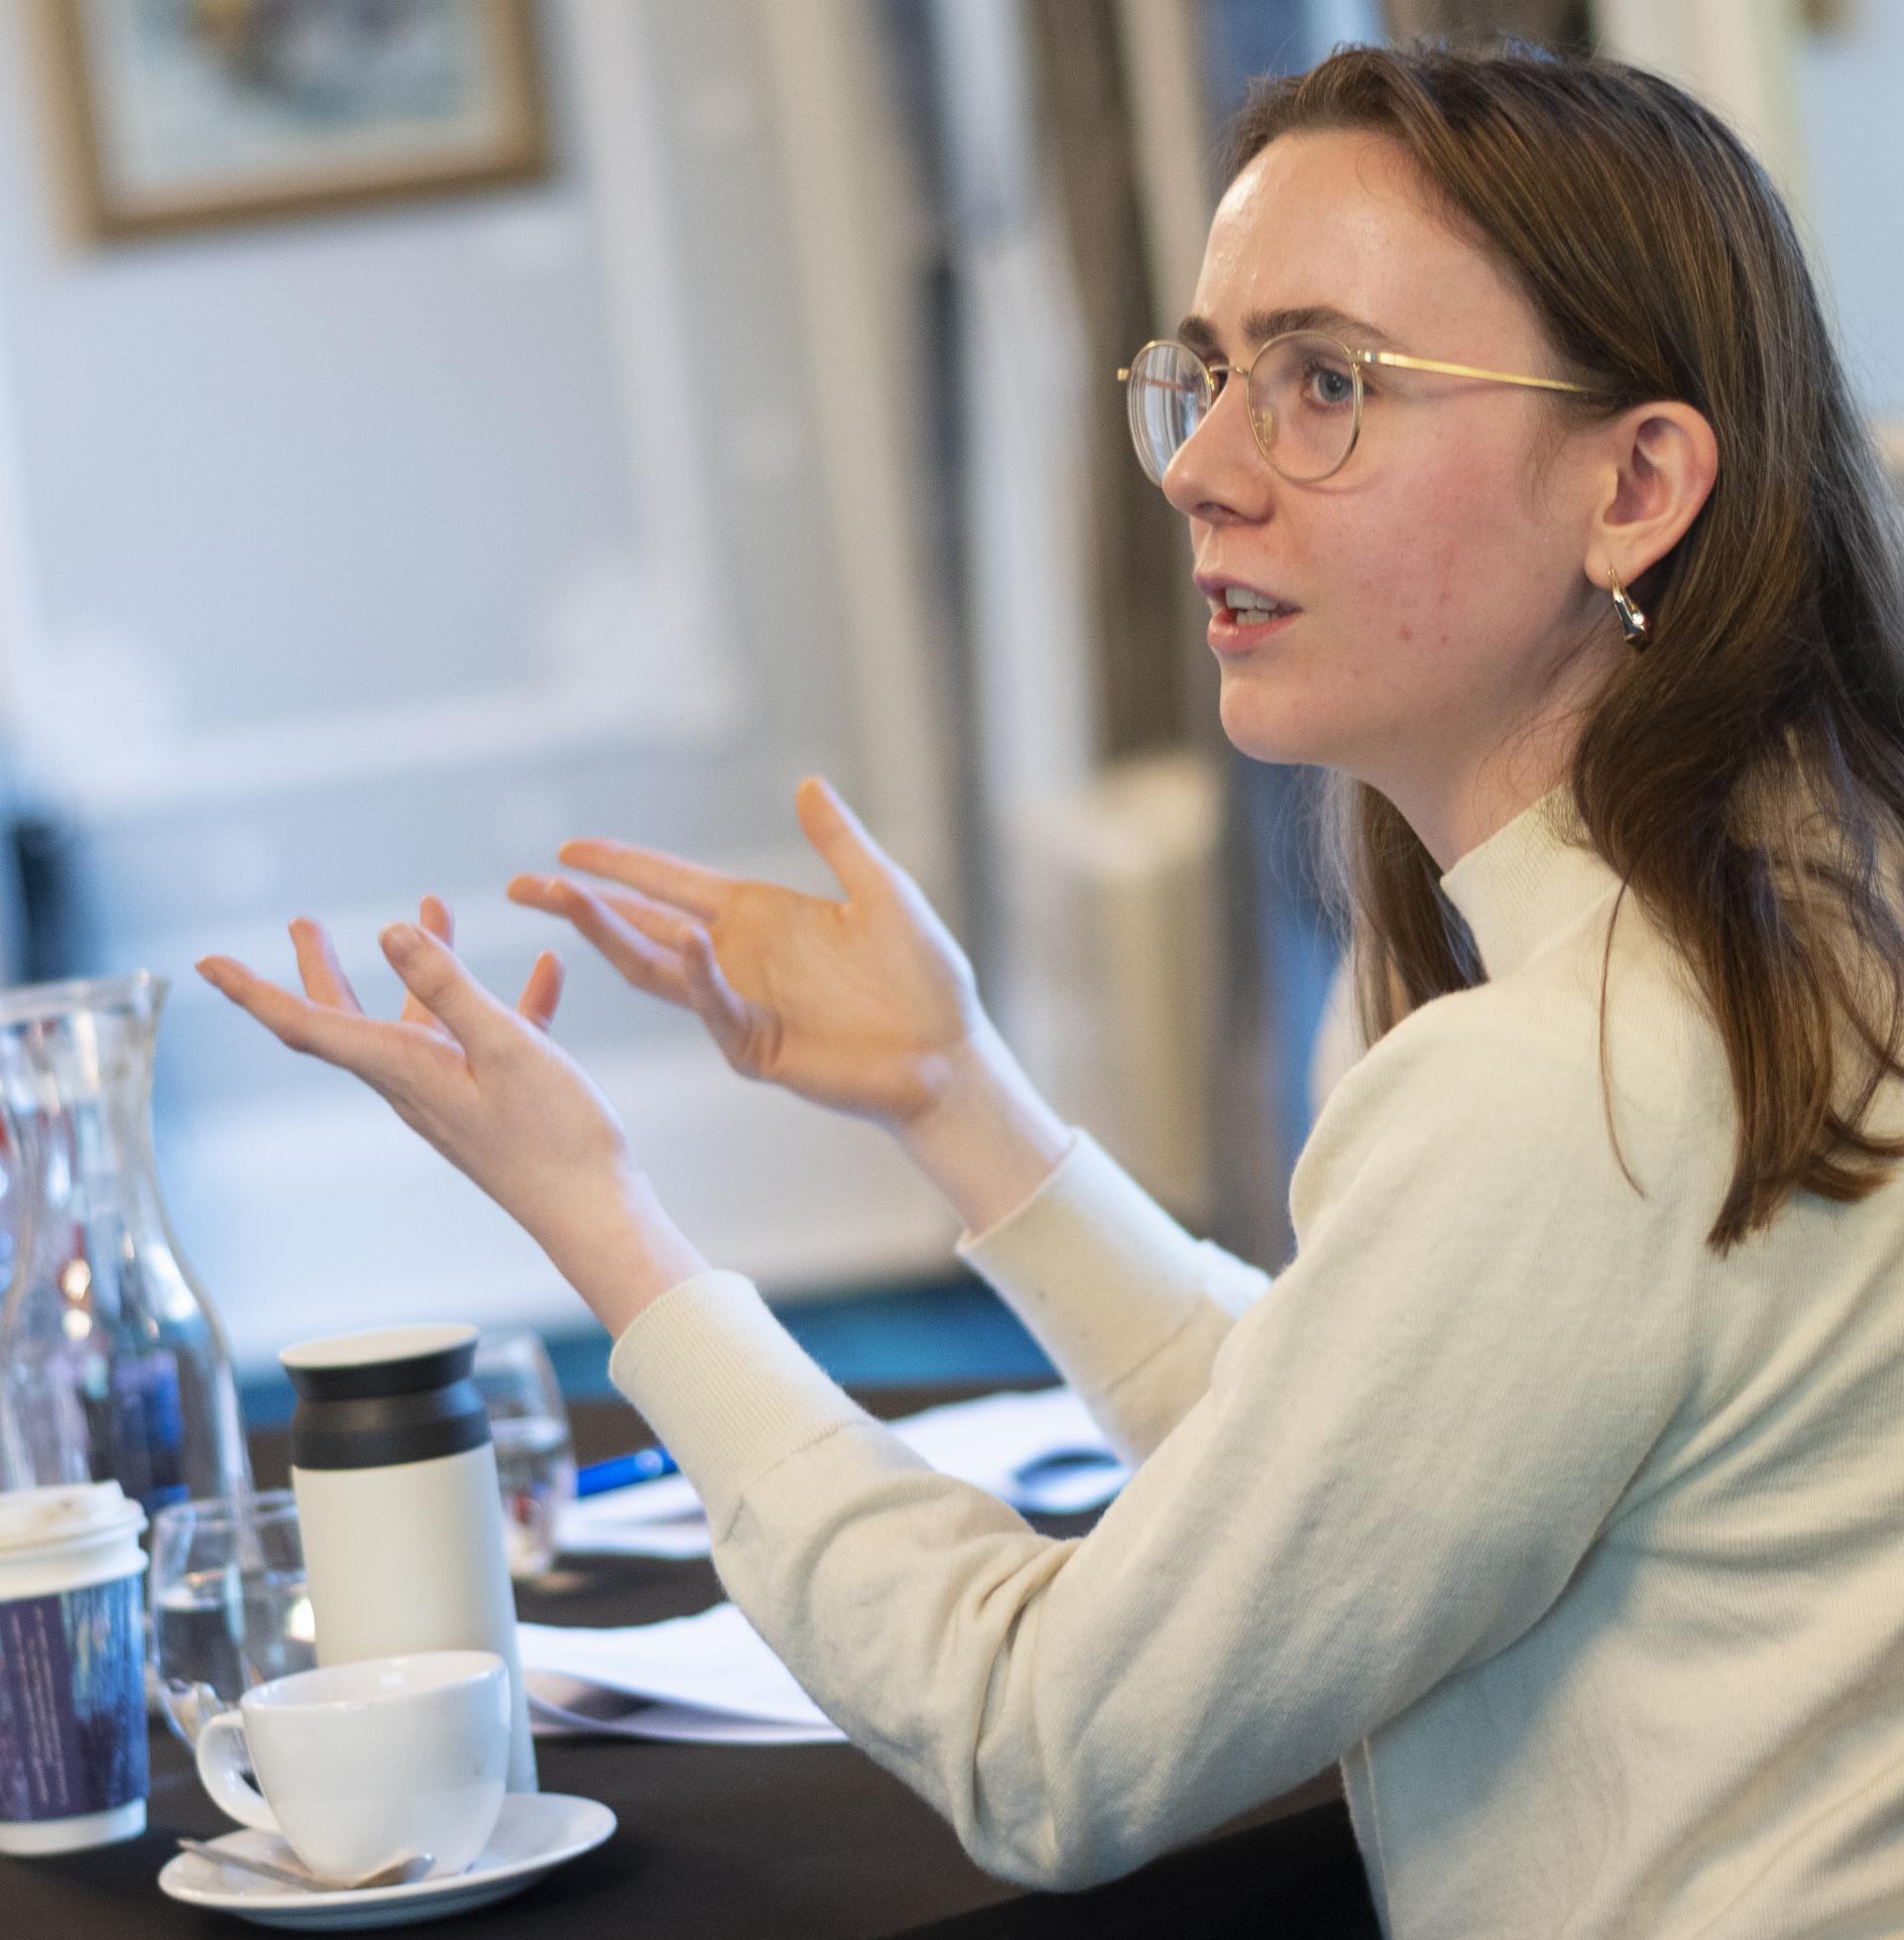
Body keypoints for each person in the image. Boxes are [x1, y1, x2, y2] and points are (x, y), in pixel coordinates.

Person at [197, 41, 1904, 1937]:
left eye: (1328, 385)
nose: (1199, 470)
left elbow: (1049, 1745)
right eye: (1211, 376)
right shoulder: (1810, 927)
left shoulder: (1570, 1079)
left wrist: (604, 1226)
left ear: (1637, 482)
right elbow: (1361, 1465)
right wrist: (957, 1099)